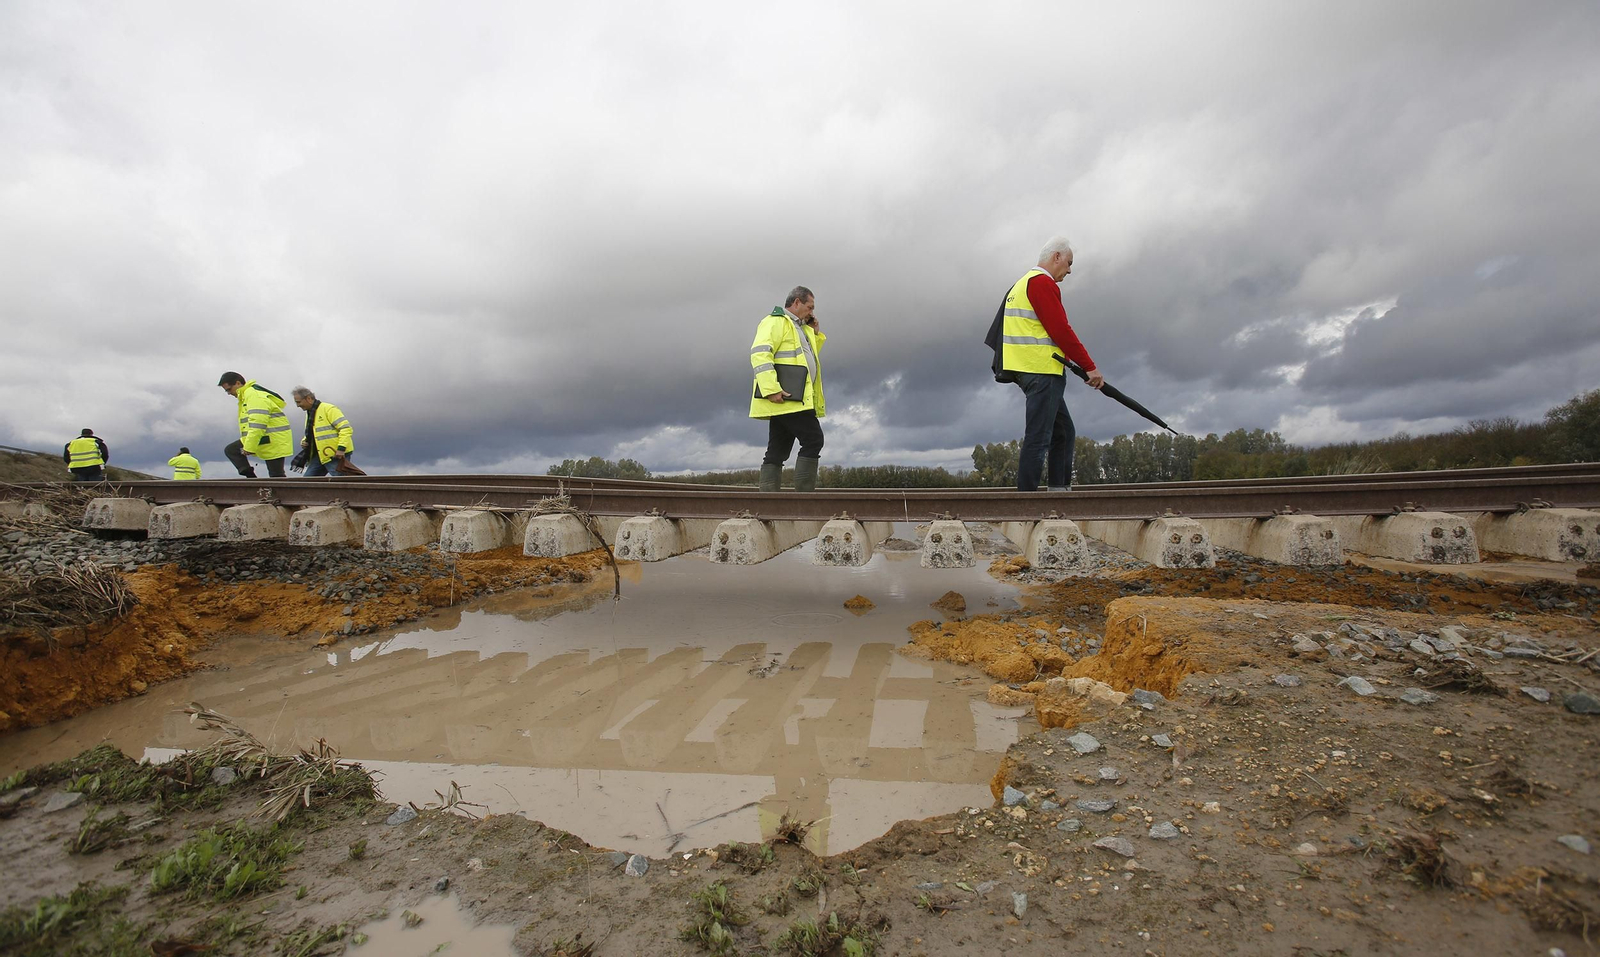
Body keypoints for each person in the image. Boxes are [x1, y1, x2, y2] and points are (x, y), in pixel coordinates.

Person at [986, 236, 1104, 491]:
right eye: (1069, 263)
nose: (1070, 270)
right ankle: (1027, 504)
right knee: (1039, 437)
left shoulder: (1021, 284)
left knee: (1063, 432)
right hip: (1041, 369)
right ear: (1056, 257)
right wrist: (1089, 366)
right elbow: (1060, 330)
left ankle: (1058, 494)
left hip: (1028, 369)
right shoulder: (1042, 283)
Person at [749, 286, 826, 492]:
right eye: (810, 307)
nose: (812, 312)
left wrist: (815, 334)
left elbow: (805, 358)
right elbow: (760, 354)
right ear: (797, 302)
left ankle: (770, 503)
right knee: (813, 439)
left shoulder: (799, 327)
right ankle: (803, 500)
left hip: (789, 398)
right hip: (788, 397)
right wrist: (770, 389)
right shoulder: (774, 322)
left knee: (777, 450)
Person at [217, 371, 294, 478]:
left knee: (276, 475)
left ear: (238, 383)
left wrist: (249, 447)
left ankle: (255, 482)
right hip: (266, 439)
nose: (229, 393)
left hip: (273, 440)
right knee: (232, 450)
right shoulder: (247, 396)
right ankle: (253, 481)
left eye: (229, 389)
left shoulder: (253, 396)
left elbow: (258, 423)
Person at [289, 387, 356, 477]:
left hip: (335, 455)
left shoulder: (328, 409)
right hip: (321, 455)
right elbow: (313, 434)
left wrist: (341, 449)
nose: (298, 405)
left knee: (341, 482)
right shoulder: (311, 413)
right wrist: (304, 441)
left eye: (298, 402)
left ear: (308, 399)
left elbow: (346, 428)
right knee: (307, 483)